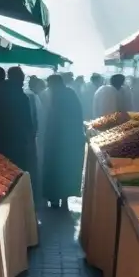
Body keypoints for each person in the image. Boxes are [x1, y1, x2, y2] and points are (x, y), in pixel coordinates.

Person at [41, 74, 85, 208]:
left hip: (57, 140)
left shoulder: (55, 96)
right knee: (66, 169)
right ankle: (64, 197)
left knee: (55, 168)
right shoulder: (70, 94)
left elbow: (51, 119)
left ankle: (55, 198)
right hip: (69, 139)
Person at [5, 66, 36, 173]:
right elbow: (27, 120)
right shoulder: (21, 96)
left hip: (3, 139)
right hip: (17, 140)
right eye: (21, 77)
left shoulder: (2, 91)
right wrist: (31, 137)